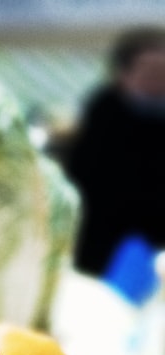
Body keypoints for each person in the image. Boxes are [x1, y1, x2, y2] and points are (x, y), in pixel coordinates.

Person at [63, 26, 165, 281]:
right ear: (123, 74)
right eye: (152, 71)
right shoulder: (101, 118)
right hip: (103, 249)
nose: (160, 80)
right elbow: (89, 187)